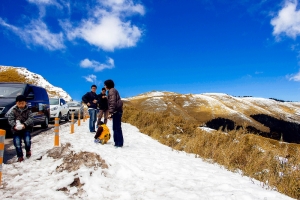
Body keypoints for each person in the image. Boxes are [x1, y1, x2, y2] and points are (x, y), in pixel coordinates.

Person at [8, 95, 34, 162]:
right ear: (16, 103)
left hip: (26, 129)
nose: (21, 105)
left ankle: (28, 150)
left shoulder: (28, 111)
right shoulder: (13, 111)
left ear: (25, 103)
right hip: (16, 130)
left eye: (22, 103)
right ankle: (20, 156)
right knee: (17, 143)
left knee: (27, 141)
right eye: (19, 103)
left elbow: (31, 118)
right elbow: (10, 119)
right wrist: (14, 126)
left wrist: (25, 124)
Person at [104, 79, 124, 148]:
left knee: (116, 128)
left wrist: (110, 113)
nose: (104, 86)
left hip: (116, 111)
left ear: (107, 85)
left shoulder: (111, 91)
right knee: (116, 127)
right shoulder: (113, 90)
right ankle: (118, 143)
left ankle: (118, 144)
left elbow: (112, 102)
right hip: (117, 111)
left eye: (105, 85)